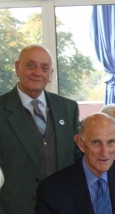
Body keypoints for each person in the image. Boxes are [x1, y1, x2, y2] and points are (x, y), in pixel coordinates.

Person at [0, 44, 81, 214]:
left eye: (44, 68)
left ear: (50, 75)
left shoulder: (68, 108)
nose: (37, 72)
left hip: (64, 207)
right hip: (15, 208)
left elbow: (77, 157)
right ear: (17, 67)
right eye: (31, 65)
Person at [35, 113, 115, 214]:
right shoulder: (52, 190)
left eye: (110, 142)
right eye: (96, 143)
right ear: (80, 143)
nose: (104, 153)